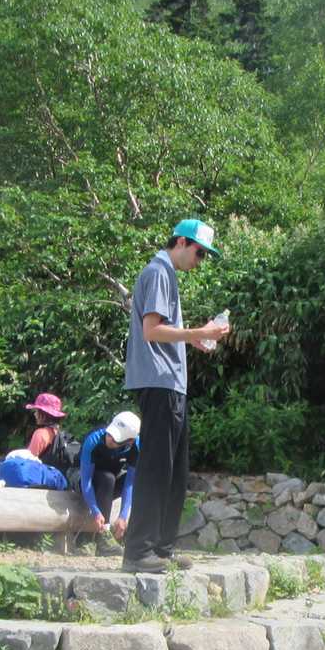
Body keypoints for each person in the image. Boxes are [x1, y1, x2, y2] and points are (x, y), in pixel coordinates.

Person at [121, 218, 230, 573]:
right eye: (200, 252)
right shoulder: (158, 272)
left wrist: (194, 339)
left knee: (174, 471)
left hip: (170, 383)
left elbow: (163, 331)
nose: (200, 261)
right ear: (181, 242)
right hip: (159, 382)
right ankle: (138, 552)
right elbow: (151, 331)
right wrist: (199, 331)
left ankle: (161, 549)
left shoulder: (166, 274)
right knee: (156, 467)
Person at [77, 411, 140, 555]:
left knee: (140, 480)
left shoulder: (136, 446)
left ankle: (129, 534)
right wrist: (95, 511)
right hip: (83, 478)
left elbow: (129, 483)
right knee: (107, 478)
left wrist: (123, 516)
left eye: (116, 439)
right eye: (109, 434)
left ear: (129, 441)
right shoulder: (93, 440)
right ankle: (102, 536)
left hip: (110, 481)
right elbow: (86, 481)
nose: (109, 439)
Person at [23, 393, 76, 471]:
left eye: (37, 411)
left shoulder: (40, 434)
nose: (35, 414)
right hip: (60, 476)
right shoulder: (60, 433)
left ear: (44, 414)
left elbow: (28, 461)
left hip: (43, 477)